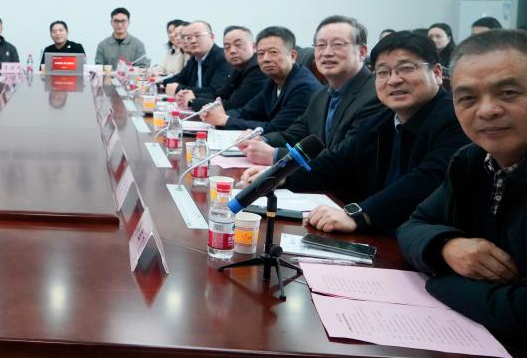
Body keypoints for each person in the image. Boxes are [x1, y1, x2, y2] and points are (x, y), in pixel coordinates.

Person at [242, 31, 469, 234]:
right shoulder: (380, 121)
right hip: (383, 234)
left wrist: (360, 214)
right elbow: (337, 163)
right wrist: (281, 176)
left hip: (424, 240)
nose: (394, 80)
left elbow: (427, 180)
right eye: (383, 72)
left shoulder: (455, 119)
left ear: (437, 73)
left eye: (406, 69)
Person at [398, 30, 527, 341]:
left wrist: (440, 282)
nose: (486, 110)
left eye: (508, 93)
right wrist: (446, 246)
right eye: (467, 98)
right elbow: (413, 225)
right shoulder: (471, 160)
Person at [239, 16, 383, 165]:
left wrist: (275, 155)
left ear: (362, 52)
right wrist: (262, 139)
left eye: (337, 45)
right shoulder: (322, 94)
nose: (327, 52)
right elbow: (297, 134)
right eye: (321, 45)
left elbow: (344, 158)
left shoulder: (374, 96)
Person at [201, 26, 319, 132]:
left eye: (273, 52)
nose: (265, 59)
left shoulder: (303, 87)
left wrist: (225, 120)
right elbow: (248, 112)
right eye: (261, 53)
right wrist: (218, 115)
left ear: (292, 56)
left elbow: (277, 129)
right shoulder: (272, 81)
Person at [181, 25, 267, 112]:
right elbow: (219, 95)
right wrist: (193, 95)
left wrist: (192, 101)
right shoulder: (237, 68)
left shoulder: (257, 69)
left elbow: (233, 106)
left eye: (238, 45)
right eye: (227, 47)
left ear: (254, 47)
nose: (232, 51)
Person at [161, 21, 233, 104]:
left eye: (197, 35)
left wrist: (178, 89)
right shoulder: (194, 59)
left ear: (211, 37)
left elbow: (215, 93)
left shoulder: (223, 58)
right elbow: (179, 79)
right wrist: (160, 83)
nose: (193, 41)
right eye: (188, 38)